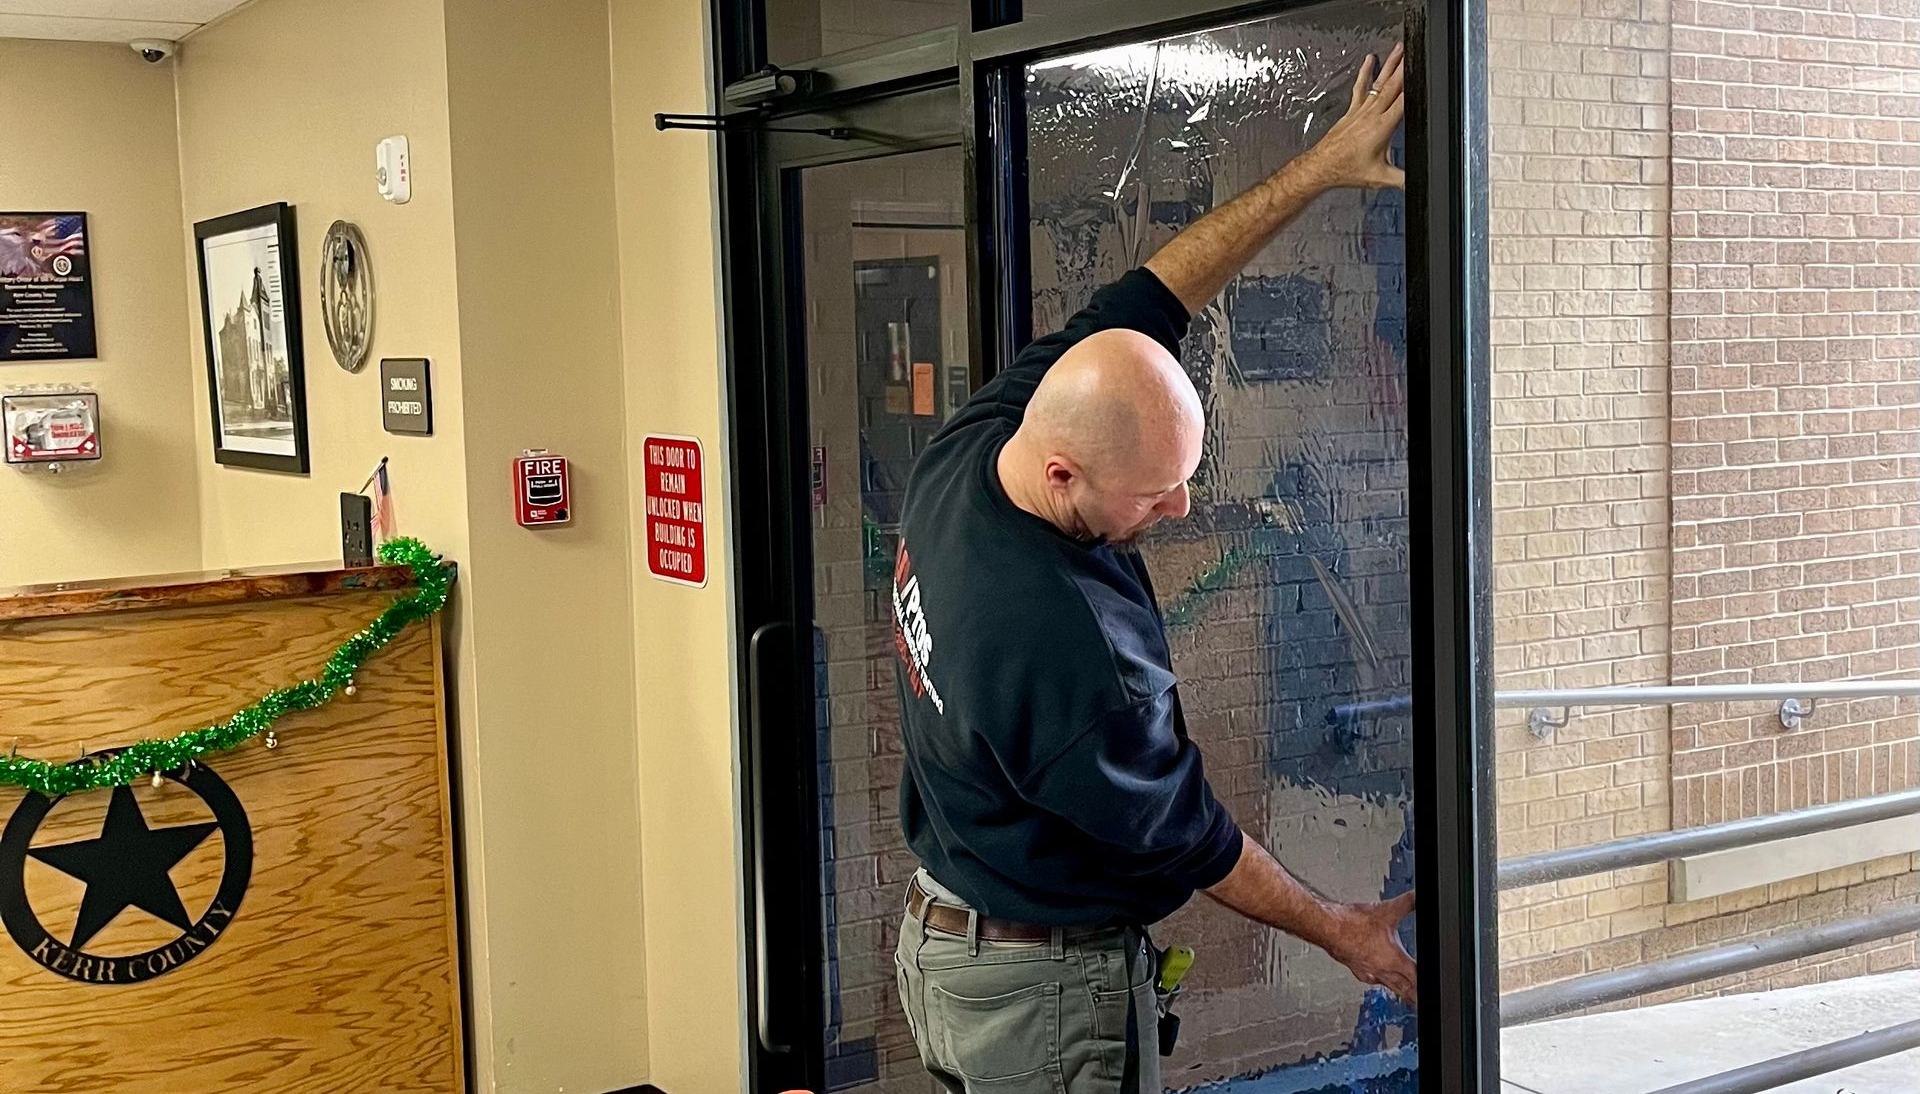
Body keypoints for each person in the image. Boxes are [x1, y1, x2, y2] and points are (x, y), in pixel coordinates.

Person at [889, 46, 1415, 1094]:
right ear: (1063, 470)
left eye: (1187, 478)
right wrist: (1341, 929)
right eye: (1154, 494)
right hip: (1036, 995)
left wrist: (1312, 172)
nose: (1179, 509)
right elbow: (1197, 842)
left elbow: (1152, 294)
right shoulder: (1065, 649)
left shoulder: (973, 447)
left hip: (948, 938)